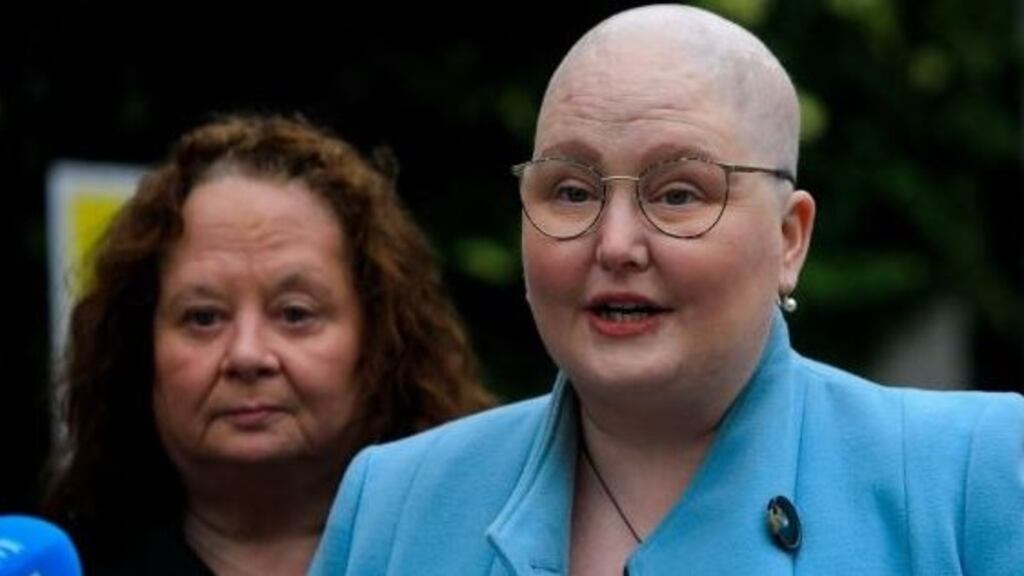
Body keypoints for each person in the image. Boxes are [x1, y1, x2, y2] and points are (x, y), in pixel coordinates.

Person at [310, 5, 1024, 575]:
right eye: (571, 190)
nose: (615, 244)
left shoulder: (967, 476)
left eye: (679, 193)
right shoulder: (396, 501)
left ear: (788, 240)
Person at [43, 115, 493, 575]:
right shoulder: (62, 566)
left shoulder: (494, 554)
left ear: (381, 342)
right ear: (139, 348)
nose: (247, 355)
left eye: (295, 314)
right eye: (203, 318)